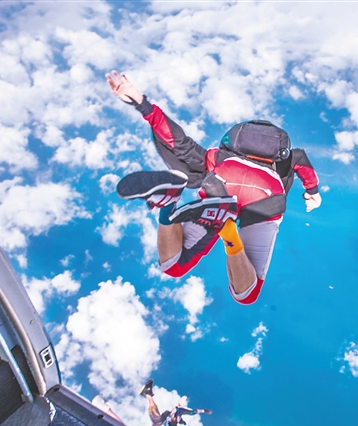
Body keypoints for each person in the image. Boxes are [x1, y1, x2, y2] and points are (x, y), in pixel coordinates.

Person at [106, 70, 322, 305]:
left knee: (174, 265)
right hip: (265, 194)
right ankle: (228, 233)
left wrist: (143, 104)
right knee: (246, 294)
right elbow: (300, 159)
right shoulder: (283, 162)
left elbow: (180, 143)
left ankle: (168, 202)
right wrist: (312, 191)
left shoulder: (219, 157)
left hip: (222, 181)